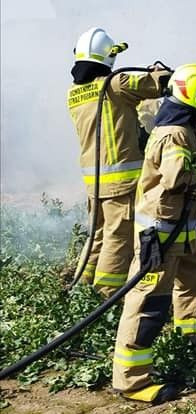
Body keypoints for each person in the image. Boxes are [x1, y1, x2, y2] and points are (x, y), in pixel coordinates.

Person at [112, 63, 196, 404]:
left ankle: (192, 336)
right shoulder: (174, 132)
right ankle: (131, 381)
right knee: (149, 303)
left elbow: (190, 172)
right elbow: (178, 178)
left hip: (181, 231)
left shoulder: (183, 127)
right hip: (162, 235)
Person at [68, 26, 171, 295]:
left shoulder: (75, 94)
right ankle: (106, 298)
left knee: (97, 237)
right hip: (120, 183)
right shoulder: (116, 84)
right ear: (109, 57)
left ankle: (81, 288)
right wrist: (161, 72)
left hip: (95, 182)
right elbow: (161, 84)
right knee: (118, 238)